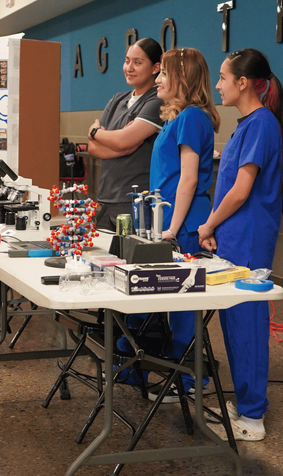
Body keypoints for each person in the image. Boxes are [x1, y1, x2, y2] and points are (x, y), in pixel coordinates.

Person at [198, 48, 283, 441]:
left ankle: (253, 418)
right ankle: (244, 402)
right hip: (235, 237)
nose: (217, 85)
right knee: (234, 324)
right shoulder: (246, 124)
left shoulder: (262, 125)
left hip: (250, 239)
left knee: (248, 325)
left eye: (222, 77)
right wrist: (218, 229)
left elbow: (240, 191)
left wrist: (208, 223)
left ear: (242, 82)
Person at [149, 47, 220, 399]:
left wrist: (172, 231)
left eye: (164, 73)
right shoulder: (177, 118)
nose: (157, 78)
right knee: (173, 307)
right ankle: (181, 376)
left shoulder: (192, 117)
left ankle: (193, 382)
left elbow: (188, 180)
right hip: (171, 223)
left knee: (182, 310)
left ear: (184, 78)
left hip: (185, 228)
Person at [87, 38, 164, 231]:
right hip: (106, 199)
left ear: (156, 68)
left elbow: (122, 140)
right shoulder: (117, 100)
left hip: (135, 201)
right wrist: (121, 148)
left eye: (137, 63)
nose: (129, 68)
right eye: (127, 60)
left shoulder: (157, 101)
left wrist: (96, 132)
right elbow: (92, 147)